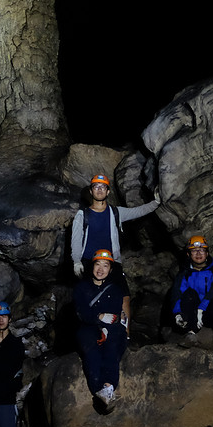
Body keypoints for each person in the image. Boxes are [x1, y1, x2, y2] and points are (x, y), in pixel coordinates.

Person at [70, 173, 160, 278]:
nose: (99, 189)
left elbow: (138, 211)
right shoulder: (82, 215)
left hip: (111, 263)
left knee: (119, 292)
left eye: (103, 187)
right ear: (91, 191)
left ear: (108, 192)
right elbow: (76, 240)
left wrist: (156, 202)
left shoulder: (116, 212)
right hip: (88, 264)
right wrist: (76, 261)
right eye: (96, 186)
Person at [74, 249, 130, 412]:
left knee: (112, 348)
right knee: (92, 351)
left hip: (111, 328)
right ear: (92, 266)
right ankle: (98, 387)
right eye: (98, 264)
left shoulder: (115, 290)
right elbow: (81, 311)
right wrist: (98, 318)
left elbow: (113, 315)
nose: (101, 269)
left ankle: (108, 387)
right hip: (88, 327)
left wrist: (107, 327)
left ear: (110, 270)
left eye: (105, 266)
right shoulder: (81, 288)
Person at [168, 235, 213, 348]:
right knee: (190, 294)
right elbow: (177, 293)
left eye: (202, 250)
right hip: (192, 314)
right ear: (188, 254)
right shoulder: (184, 274)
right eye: (194, 251)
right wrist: (177, 314)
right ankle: (191, 334)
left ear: (207, 253)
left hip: (209, 311)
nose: (199, 254)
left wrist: (202, 308)